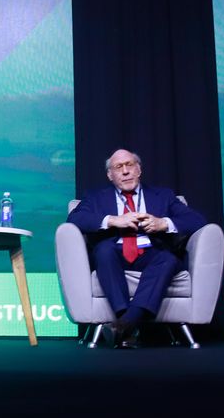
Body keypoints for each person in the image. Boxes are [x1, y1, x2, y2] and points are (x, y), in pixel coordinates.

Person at [67, 148, 206, 348]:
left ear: (139, 170)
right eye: (118, 167)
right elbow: (74, 219)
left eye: (129, 165)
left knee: (168, 259)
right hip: (115, 252)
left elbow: (197, 220)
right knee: (104, 250)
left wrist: (164, 223)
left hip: (152, 253)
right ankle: (128, 322)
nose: (125, 171)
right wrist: (113, 220)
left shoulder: (162, 196)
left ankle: (123, 326)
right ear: (110, 175)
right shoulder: (96, 197)